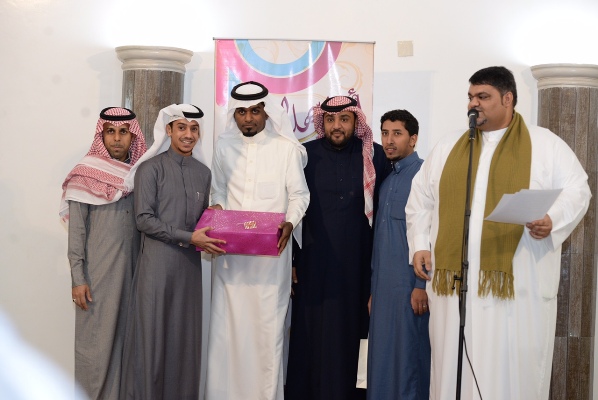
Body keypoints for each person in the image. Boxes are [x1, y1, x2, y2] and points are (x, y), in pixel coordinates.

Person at [406, 66, 591, 400]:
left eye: (483, 96)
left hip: (517, 286)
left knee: (509, 371)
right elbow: (421, 199)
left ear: (508, 99)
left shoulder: (544, 145)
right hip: (455, 288)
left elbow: (578, 190)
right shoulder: (449, 146)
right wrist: (420, 244)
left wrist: (551, 219)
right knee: (453, 366)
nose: (473, 104)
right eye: (470, 97)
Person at [206, 81, 310, 400]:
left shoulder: (285, 148)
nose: (248, 118)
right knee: (227, 330)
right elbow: (218, 190)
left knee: (267, 331)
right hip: (231, 259)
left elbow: (299, 194)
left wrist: (290, 222)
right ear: (233, 114)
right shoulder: (223, 146)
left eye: (254, 111)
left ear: (266, 112)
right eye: (241, 112)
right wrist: (218, 210)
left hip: (270, 258)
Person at [286, 95, 388, 400]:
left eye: (344, 119)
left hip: (358, 266)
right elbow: (292, 209)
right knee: (311, 335)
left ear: (356, 121)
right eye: (330, 120)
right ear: (322, 122)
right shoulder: (306, 155)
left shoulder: (374, 156)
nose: (337, 126)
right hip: (313, 265)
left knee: (352, 333)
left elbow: (383, 215)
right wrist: (291, 261)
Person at [120, 104, 223, 400]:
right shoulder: (150, 169)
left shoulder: (203, 173)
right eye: (181, 128)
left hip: (189, 271)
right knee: (151, 342)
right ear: (168, 130)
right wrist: (189, 237)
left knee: (184, 343)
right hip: (157, 268)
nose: (188, 135)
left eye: (194, 129)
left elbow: (200, 221)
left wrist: (215, 217)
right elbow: (143, 220)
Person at [59, 107, 146, 400]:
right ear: (101, 135)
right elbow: (77, 234)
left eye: (123, 132)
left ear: (133, 136)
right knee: (94, 350)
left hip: (134, 276)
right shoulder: (84, 175)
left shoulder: (140, 175)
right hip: (96, 279)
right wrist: (78, 279)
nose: (117, 139)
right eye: (110, 132)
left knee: (127, 348)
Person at [367, 109, 429, 400]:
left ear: (413, 139)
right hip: (383, 290)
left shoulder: (424, 176)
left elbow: (430, 234)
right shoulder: (386, 179)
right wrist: (373, 290)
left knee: (409, 359)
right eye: (385, 133)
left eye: (397, 134)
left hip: (409, 288)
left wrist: (421, 285)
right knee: (381, 357)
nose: (389, 141)